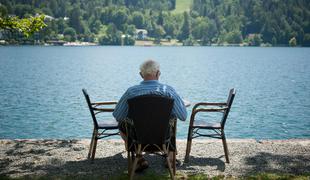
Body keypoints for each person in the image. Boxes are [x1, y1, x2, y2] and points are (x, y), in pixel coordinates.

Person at [113, 59, 187, 172]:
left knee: (122, 125)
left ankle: (139, 159)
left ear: (141, 74)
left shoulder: (131, 92)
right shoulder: (168, 91)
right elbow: (183, 115)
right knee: (172, 121)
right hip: (163, 136)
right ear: (158, 73)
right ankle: (171, 159)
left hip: (137, 137)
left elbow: (118, 115)